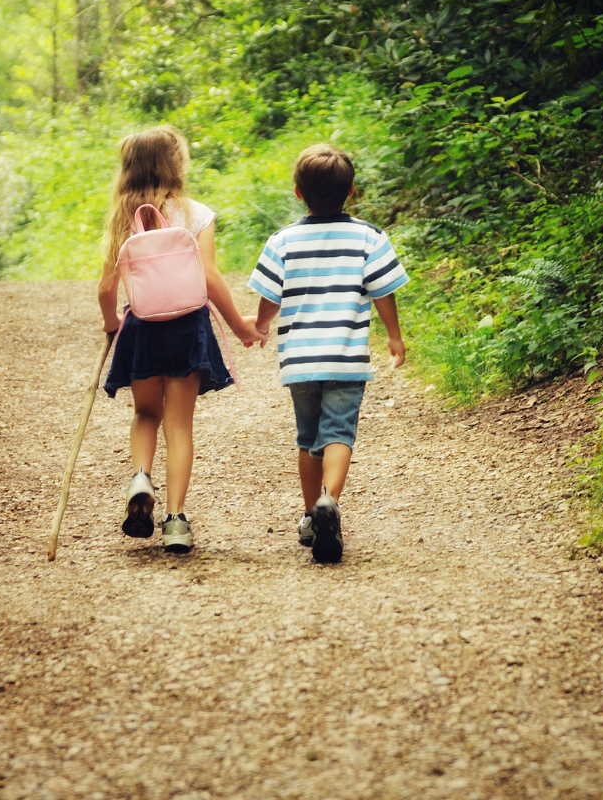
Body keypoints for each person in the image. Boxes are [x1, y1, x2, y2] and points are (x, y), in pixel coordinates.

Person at [98, 125, 260, 553]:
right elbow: (209, 277)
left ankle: (140, 477)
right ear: (177, 165)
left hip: (142, 329)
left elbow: (105, 288)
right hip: (188, 327)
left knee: (145, 414)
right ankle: (174, 521)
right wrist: (240, 325)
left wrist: (112, 322)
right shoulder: (196, 214)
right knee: (179, 425)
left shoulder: (121, 218)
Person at [247, 143, 409, 562]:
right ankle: (329, 502)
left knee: (307, 438)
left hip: (299, 362)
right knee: (338, 433)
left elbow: (270, 297)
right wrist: (394, 336)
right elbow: (384, 292)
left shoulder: (282, 241)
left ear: (298, 192)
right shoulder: (370, 237)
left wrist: (260, 324)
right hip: (346, 359)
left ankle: (310, 515)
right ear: (352, 190)